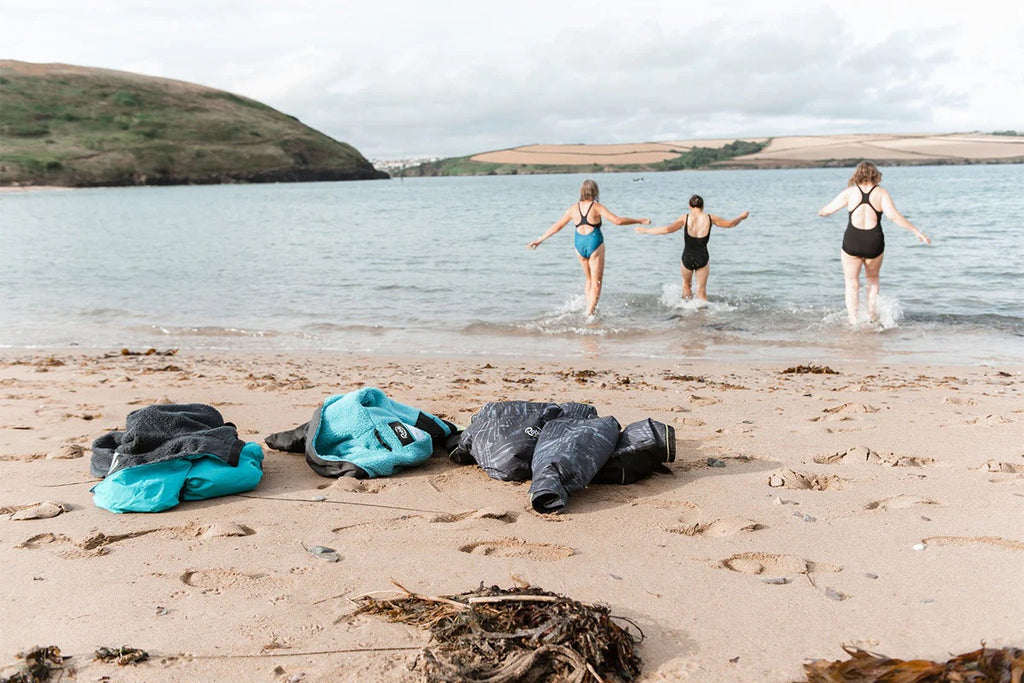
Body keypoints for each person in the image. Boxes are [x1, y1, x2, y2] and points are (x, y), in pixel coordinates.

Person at [818, 160, 930, 325]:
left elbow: (826, 210)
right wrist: (916, 231)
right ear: (876, 175)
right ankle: (871, 315)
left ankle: (853, 319)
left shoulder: (850, 193)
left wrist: (822, 212)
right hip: (874, 241)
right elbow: (893, 216)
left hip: (853, 240)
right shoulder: (881, 193)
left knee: (851, 283)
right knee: (873, 279)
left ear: (857, 175)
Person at [527, 179, 650, 317]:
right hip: (594, 243)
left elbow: (557, 226)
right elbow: (618, 221)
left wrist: (540, 240)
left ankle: (588, 307)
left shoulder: (573, 208)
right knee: (597, 281)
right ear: (595, 191)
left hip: (579, 244)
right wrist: (639, 220)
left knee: (589, 279)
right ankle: (590, 313)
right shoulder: (597, 207)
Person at [634, 194, 748, 301]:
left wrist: (646, 231)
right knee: (701, 291)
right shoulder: (710, 218)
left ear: (690, 206)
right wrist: (741, 217)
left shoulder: (685, 218)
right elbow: (730, 224)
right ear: (703, 206)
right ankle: (703, 317)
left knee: (686, 285)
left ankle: (686, 313)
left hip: (687, 257)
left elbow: (666, 230)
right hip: (702, 257)